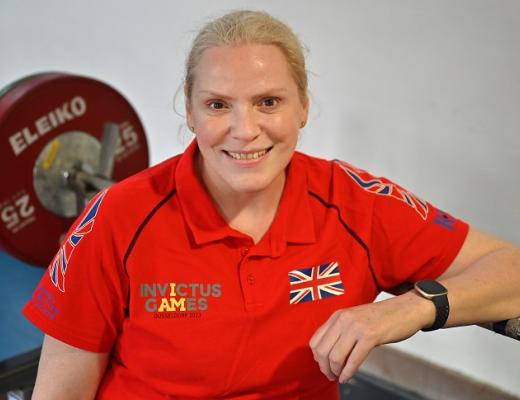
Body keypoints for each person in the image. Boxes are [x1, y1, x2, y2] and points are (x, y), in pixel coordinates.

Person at [23, 9, 520, 400]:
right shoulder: (118, 217)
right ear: (190, 112)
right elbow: (61, 393)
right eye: (218, 104)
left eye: (268, 102)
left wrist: (407, 309)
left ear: (303, 106)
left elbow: (511, 270)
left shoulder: (354, 202)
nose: (245, 130)